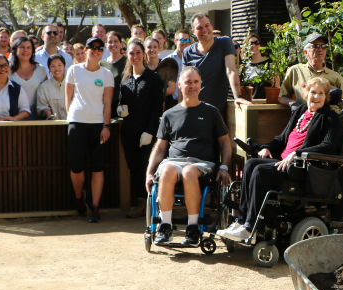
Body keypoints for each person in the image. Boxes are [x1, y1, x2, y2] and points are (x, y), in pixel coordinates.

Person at [218, 77, 339, 241]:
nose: (316, 97)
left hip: (300, 168)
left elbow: (329, 145)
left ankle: (248, 226)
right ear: (306, 93)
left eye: (321, 93)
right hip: (282, 162)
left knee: (260, 172)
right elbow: (282, 139)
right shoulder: (301, 111)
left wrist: (297, 153)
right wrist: (266, 147)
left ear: (326, 97)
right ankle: (242, 222)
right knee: (251, 164)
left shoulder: (329, 116)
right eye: (313, 92)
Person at [145, 66, 231, 246]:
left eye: (195, 82)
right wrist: (150, 172)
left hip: (201, 164)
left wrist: (224, 167)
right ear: (179, 86)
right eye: (188, 82)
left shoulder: (211, 112)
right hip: (173, 162)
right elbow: (160, 147)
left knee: (189, 171)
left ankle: (193, 228)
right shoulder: (169, 114)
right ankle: (165, 227)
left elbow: (224, 142)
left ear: (201, 85)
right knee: (167, 170)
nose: (192, 86)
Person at [65, 37, 115, 223]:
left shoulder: (106, 74)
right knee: (76, 167)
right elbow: (68, 98)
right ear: (85, 50)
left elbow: (108, 103)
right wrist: (71, 118)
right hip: (77, 122)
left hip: (98, 124)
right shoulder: (74, 70)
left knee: (97, 167)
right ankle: (79, 197)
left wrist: (106, 126)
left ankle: (95, 206)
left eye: (99, 49)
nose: (95, 51)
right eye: (92, 48)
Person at [117, 41, 164, 217]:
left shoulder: (153, 78)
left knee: (148, 168)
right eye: (131, 53)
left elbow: (157, 107)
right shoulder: (125, 80)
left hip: (148, 133)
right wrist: (120, 109)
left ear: (143, 54)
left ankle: (154, 205)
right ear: (127, 55)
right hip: (129, 132)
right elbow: (122, 103)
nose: (135, 57)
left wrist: (150, 131)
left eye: (138, 53)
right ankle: (141, 202)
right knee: (134, 168)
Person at [279, 32, 343, 129]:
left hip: (331, 124)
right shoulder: (295, 71)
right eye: (315, 46)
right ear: (305, 52)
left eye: (323, 46)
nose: (320, 49)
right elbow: (282, 97)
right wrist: (292, 103)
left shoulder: (336, 76)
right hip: (306, 123)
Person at [183, 13, 249, 112]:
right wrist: (181, 108)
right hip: (194, 109)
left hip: (218, 111)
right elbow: (184, 83)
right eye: (199, 28)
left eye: (207, 25)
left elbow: (231, 69)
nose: (204, 30)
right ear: (193, 32)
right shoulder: (187, 52)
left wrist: (237, 96)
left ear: (211, 26)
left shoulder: (224, 43)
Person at [9, 36, 48, 119]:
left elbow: (46, 95)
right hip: (14, 118)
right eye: (22, 47)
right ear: (15, 50)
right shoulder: (8, 71)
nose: (25, 50)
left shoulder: (41, 70)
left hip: (38, 118)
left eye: (29, 47)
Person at [100, 31, 127, 116]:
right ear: (106, 44)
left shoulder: (127, 62)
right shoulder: (101, 64)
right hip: (104, 107)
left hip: (123, 107)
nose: (113, 44)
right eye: (110, 42)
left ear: (121, 43)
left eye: (116, 41)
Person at [36, 54, 68, 120]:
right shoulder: (44, 87)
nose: (57, 69)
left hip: (71, 123)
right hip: (53, 125)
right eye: (53, 66)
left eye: (60, 65)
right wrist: (50, 116)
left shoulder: (72, 84)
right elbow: (43, 106)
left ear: (64, 67)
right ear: (49, 69)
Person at [240, 32, 272, 99]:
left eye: (256, 42)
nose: (254, 45)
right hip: (250, 104)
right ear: (246, 47)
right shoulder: (245, 66)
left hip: (266, 104)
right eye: (251, 43)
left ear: (260, 45)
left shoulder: (270, 63)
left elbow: (276, 87)